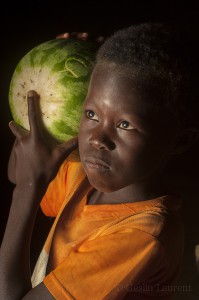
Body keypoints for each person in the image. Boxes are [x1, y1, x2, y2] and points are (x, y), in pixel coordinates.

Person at [1, 22, 199, 300]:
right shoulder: (84, 173)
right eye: (91, 114)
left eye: (125, 124)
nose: (97, 139)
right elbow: (16, 172)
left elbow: (23, 182)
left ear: (181, 141)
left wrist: (27, 188)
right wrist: (52, 78)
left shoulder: (143, 235)